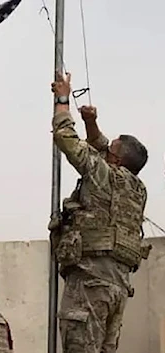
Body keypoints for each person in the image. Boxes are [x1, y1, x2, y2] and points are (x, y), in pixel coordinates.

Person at [50, 72, 151, 352]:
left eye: (111, 150)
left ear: (116, 159)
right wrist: (91, 122)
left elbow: (66, 138)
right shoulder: (137, 189)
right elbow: (102, 146)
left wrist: (62, 99)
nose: (105, 150)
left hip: (90, 284)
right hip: (116, 287)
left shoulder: (101, 172)